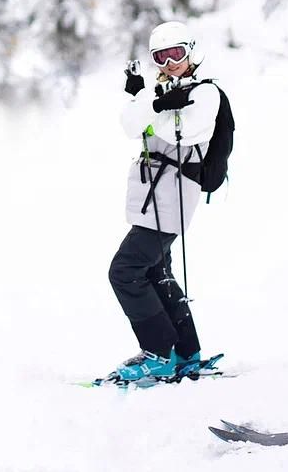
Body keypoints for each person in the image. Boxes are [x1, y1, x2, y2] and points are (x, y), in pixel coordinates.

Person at [108, 20, 221, 382]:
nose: (171, 62)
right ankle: (187, 351)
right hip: (151, 196)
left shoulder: (206, 93)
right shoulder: (157, 92)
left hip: (173, 196)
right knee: (157, 272)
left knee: (124, 272)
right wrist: (146, 97)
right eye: (162, 56)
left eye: (177, 54)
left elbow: (187, 131)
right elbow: (129, 125)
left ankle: (157, 351)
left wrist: (152, 109)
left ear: (191, 53)